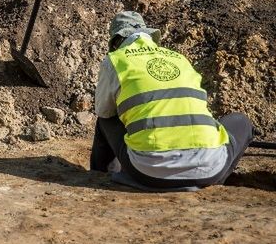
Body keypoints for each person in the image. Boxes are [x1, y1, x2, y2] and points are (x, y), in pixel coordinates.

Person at [90, 10, 254, 189]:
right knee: (241, 121)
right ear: (150, 35)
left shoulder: (115, 60)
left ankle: (100, 177)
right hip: (210, 168)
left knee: (106, 119)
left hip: (149, 172)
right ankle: (216, 181)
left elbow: (104, 111)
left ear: (116, 42)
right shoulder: (179, 58)